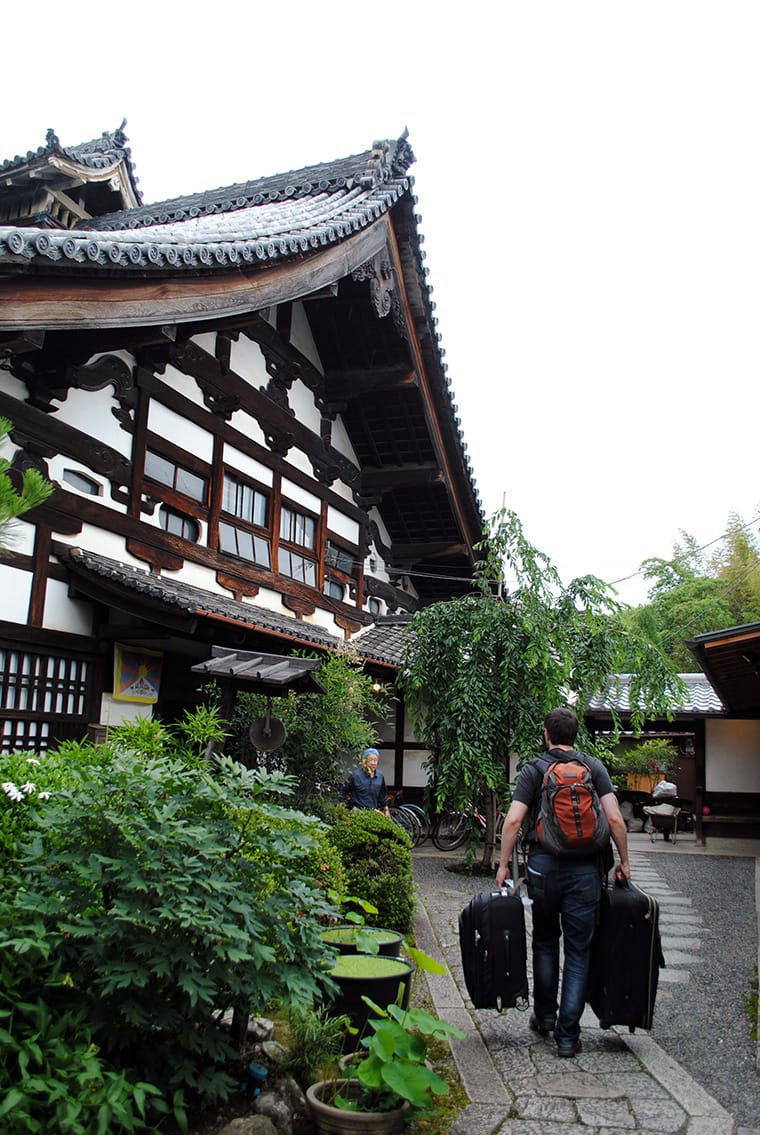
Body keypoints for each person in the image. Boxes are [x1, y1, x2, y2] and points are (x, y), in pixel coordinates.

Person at [495, 707, 631, 1058]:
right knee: (578, 949)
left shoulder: (534, 769)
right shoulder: (593, 767)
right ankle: (568, 1036)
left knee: (543, 940)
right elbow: (615, 819)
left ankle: (544, 1017)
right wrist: (624, 862)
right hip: (585, 870)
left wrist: (503, 866)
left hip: (543, 868)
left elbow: (512, 823)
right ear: (575, 737)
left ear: (546, 735)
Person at [341, 747, 390, 816]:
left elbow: (382, 795)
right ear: (365, 761)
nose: (373, 763)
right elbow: (343, 791)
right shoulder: (356, 775)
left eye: (375, 760)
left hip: (373, 812)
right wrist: (348, 807)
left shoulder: (380, 776)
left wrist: (386, 809)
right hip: (356, 811)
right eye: (370, 760)